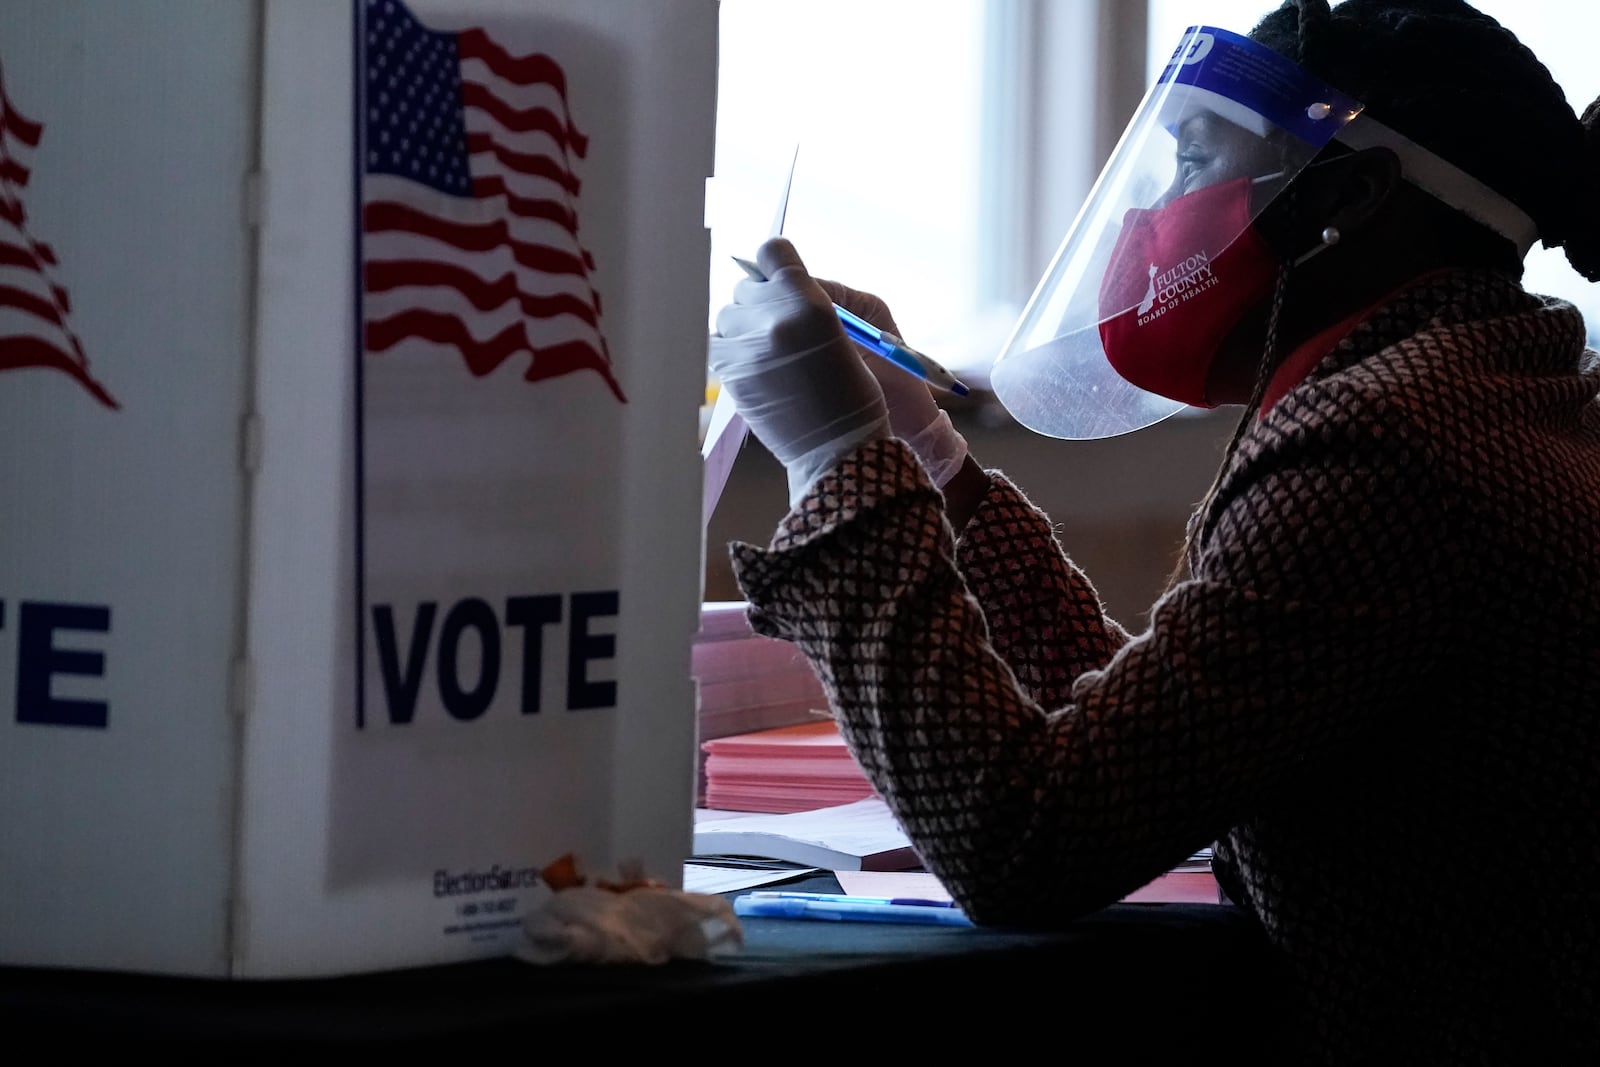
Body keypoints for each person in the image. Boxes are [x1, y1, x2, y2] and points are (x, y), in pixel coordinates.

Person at [708, 0, 1599, 1063]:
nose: (1162, 211)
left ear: (1347, 197)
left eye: (1196, 162)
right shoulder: (1488, 389)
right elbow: (1159, 751)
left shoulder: (1384, 444)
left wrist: (836, 464)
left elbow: (1028, 840)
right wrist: (930, 458)